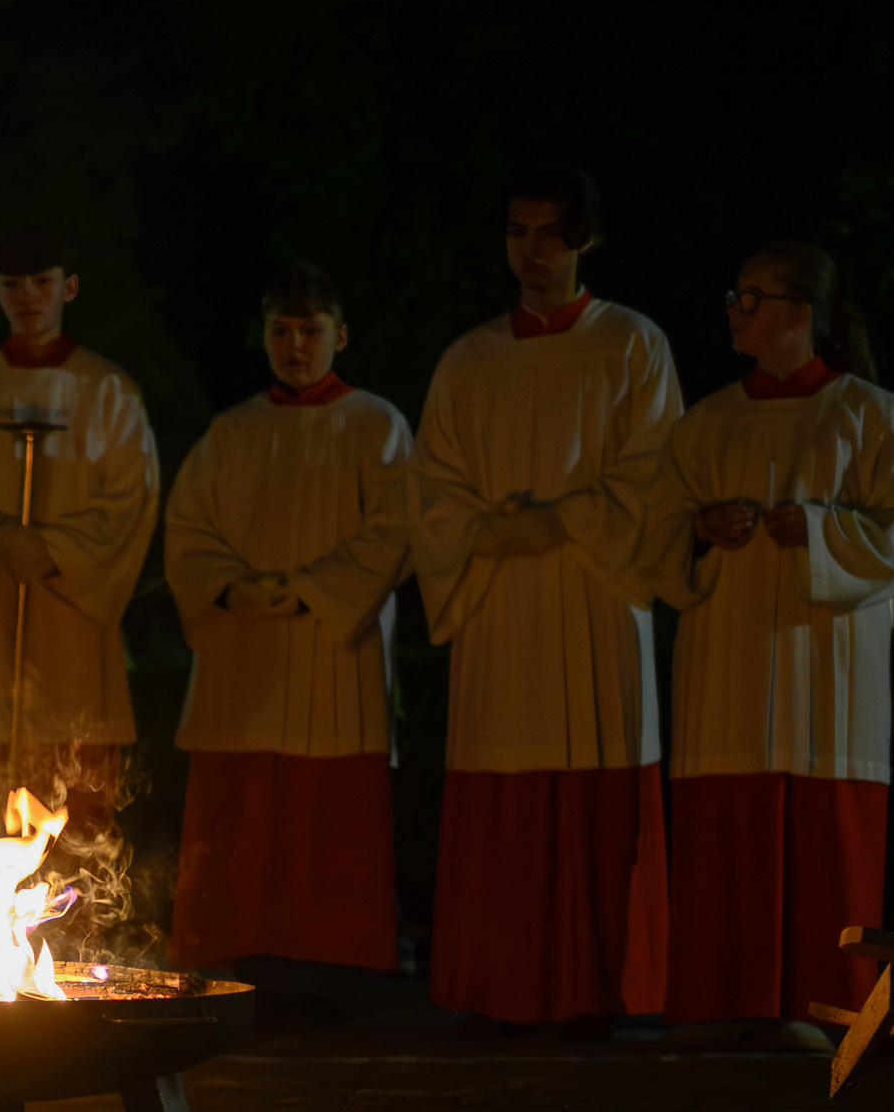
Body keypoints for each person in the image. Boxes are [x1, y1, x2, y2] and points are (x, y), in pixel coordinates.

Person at [411, 164, 681, 1039]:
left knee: (597, 795)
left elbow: (658, 475)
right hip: (496, 600)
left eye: (550, 233)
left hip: (596, 597)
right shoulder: (469, 358)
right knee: (502, 795)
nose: (531, 251)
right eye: (518, 232)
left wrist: (562, 520)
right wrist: (487, 532)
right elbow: (434, 486)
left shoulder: (632, 346)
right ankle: (500, 985)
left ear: (584, 241)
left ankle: (597, 988)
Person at [644, 242, 894, 1048]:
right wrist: (701, 530)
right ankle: (724, 997)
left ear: (797, 315)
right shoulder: (707, 421)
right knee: (730, 818)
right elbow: (656, 537)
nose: (733, 310)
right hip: (732, 653)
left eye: (748, 299)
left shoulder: (871, 414)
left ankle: (830, 1003)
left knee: (831, 831)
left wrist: (822, 532)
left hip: (833, 658)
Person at [165, 265, 410, 977]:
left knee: (327, 821)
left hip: (336, 651)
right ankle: (231, 958)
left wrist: (311, 589)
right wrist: (228, 588)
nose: (295, 346)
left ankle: (331, 969)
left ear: (342, 335)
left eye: (310, 330)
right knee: (238, 813)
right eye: (281, 331)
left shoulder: (377, 424)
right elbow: (188, 530)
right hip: (243, 655)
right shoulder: (232, 430)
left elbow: (396, 530)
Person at [0, 228, 156, 847]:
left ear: (68, 287)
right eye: (12, 285)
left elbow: (133, 499)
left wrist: (52, 548)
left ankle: (70, 941)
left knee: (74, 825)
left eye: (42, 283)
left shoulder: (109, 391)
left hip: (70, 629)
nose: (28, 297)